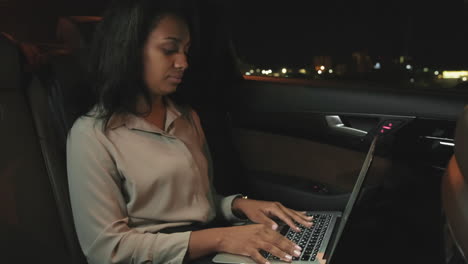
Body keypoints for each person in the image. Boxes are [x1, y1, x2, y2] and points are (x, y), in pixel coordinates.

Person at [66, 0, 313, 264]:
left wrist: (237, 205)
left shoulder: (186, 117)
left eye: (186, 51)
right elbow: (107, 249)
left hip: (207, 249)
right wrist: (221, 238)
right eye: (169, 49)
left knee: (306, 251)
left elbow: (197, 205)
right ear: (128, 51)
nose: (183, 62)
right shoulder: (92, 135)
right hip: (164, 257)